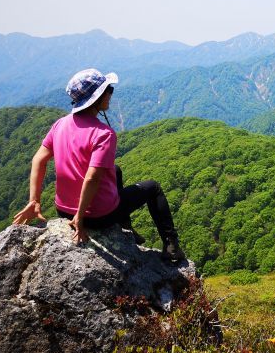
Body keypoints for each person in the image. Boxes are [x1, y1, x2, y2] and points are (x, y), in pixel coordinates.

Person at [13, 68, 186, 263]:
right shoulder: (103, 134)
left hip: (63, 209)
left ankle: (125, 228)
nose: (111, 93)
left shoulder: (60, 124)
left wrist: (34, 200)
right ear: (97, 97)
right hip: (97, 216)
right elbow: (93, 178)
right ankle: (171, 246)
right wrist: (80, 217)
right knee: (153, 187)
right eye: (108, 89)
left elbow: (38, 160)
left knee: (115, 170)